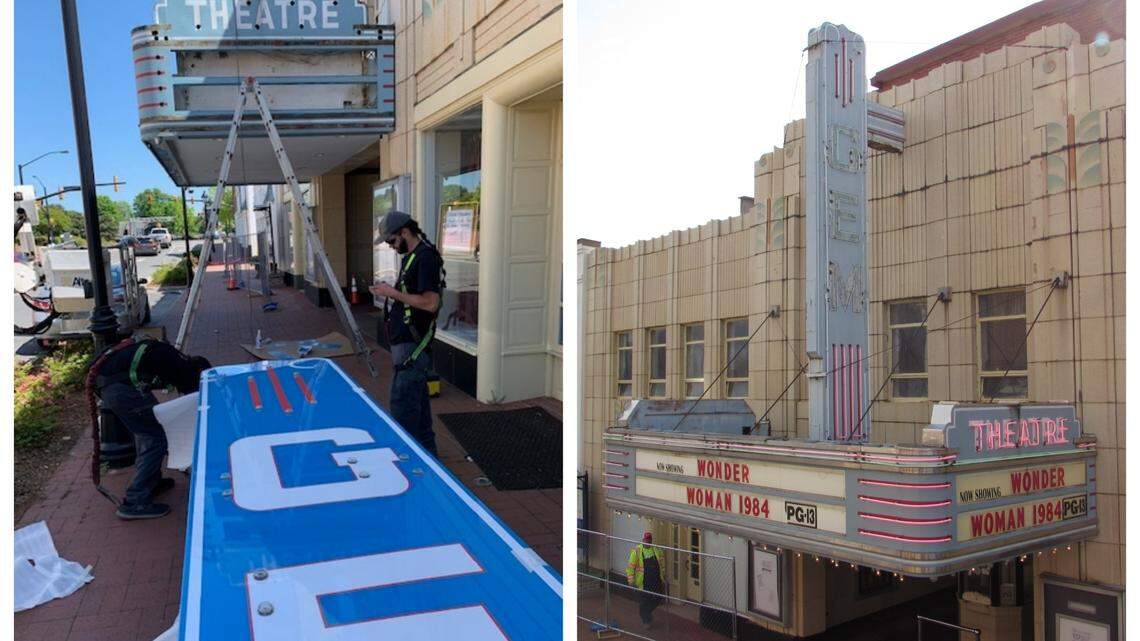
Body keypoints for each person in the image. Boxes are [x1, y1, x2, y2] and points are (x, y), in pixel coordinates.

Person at [92, 337, 211, 520]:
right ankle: (135, 500)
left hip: (115, 384)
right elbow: (193, 399)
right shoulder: (178, 367)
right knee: (155, 437)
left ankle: (151, 483)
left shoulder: (173, 359)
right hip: (119, 388)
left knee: (148, 431)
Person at [370, 211, 443, 456]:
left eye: (392, 241)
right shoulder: (411, 257)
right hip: (407, 345)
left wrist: (392, 293)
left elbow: (430, 303)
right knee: (418, 414)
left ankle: (408, 463)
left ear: (404, 232)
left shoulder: (425, 258)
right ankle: (430, 460)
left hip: (413, 346)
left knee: (403, 411)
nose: (391, 246)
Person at [626, 531, 666, 629]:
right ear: (643, 540)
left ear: (651, 540)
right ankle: (646, 620)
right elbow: (630, 567)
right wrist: (631, 581)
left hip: (656, 581)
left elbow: (662, 565)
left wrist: (664, 577)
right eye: (646, 540)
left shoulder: (656, 550)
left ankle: (647, 614)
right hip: (643, 582)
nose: (647, 542)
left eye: (649, 540)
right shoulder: (637, 551)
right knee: (644, 602)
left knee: (658, 598)